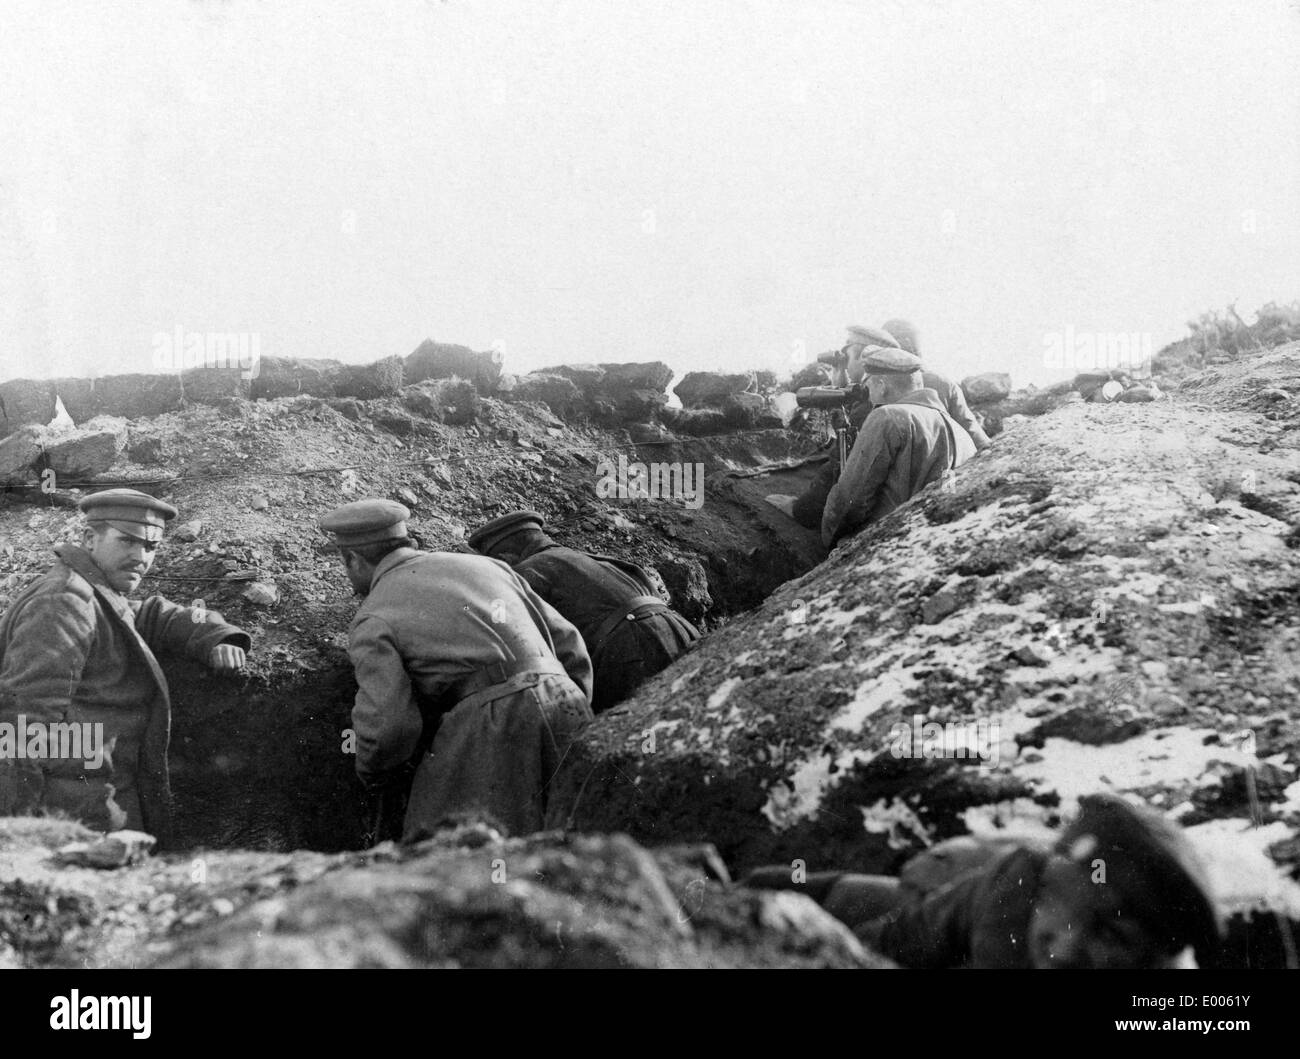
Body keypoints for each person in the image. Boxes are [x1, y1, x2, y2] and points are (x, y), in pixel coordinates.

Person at [319, 498, 593, 841]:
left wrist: (374, 773)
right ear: (408, 543)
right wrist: (572, 705)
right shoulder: (490, 567)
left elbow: (390, 726)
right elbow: (569, 643)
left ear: (353, 559)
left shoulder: (372, 617)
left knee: (450, 848)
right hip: (565, 700)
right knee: (582, 839)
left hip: (491, 728)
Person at [0, 488, 250, 846]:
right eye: (127, 542)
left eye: (150, 547)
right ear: (90, 538)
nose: (140, 557)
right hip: (73, 818)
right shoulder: (64, 602)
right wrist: (15, 834)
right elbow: (23, 723)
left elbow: (141, 614)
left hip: (99, 800)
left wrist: (213, 633)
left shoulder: (93, 591)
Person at [743, 793, 1223, 969]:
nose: (1065, 949)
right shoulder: (1013, 893)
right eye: (1057, 916)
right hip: (945, 887)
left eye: (1109, 934)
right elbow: (888, 944)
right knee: (768, 891)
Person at [467, 511, 700, 713]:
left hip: (630, 648)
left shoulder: (526, 572)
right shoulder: (591, 558)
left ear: (504, 558)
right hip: (680, 630)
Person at [821, 346, 977, 546]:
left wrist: (828, 542)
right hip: (934, 541)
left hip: (886, 543)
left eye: (867, 386)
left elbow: (851, 499)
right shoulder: (960, 432)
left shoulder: (888, 416)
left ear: (882, 385)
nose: (867, 395)